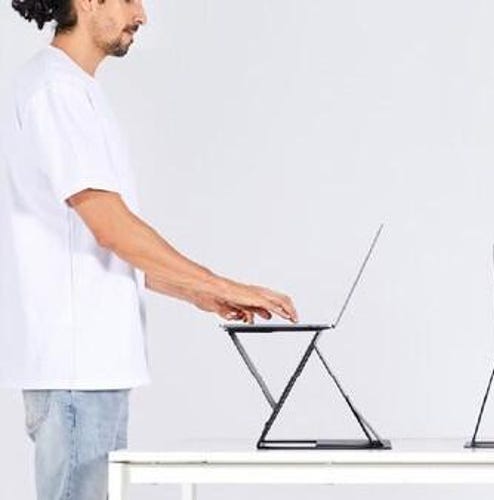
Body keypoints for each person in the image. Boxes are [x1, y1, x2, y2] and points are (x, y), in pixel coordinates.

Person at [0, 1, 299, 499]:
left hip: (89, 370)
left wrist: (197, 293)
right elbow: (112, 228)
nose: (141, 14)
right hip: (77, 370)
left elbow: (95, 245)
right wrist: (219, 282)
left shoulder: (72, 89)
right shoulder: (55, 90)